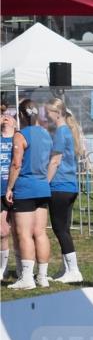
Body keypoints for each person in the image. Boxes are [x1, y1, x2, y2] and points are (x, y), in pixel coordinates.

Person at [5, 100, 53, 289]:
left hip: (25, 187)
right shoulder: (46, 134)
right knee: (40, 232)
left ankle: (26, 278)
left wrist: (9, 188)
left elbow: (16, 164)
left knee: (23, 233)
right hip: (42, 187)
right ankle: (42, 276)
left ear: (22, 115)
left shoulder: (20, 135)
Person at [45, 99, 85, 283]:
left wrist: (45, 183)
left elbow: (55, 160)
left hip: (60, 186)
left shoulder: (61, 132)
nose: (46, 115)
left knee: (60, 229)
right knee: (64, 229)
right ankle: (66, 268)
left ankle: (74, 270)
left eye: (48, 112)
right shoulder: (67, 130)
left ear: (57, 113)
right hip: (69, 185)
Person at [1, 108, 16, 281]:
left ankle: (22, 268)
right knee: (3, 231)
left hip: (17, 189)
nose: (6, 118)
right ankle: (3, 269)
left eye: (10, 116)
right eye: (3, 116)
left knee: (19, 232)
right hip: (0, 189)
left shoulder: (18, 138)